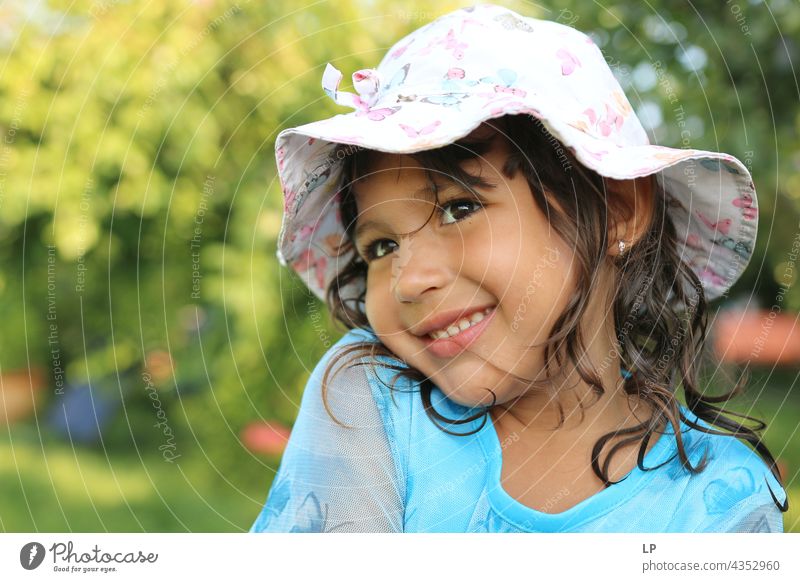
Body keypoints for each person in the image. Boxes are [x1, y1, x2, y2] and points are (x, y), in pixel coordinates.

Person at [249, 3, 787, 533]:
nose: (411, 279)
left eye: (459, 209)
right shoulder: (371, 401)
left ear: (620, 211)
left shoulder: (718, 504)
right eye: (382, 246)